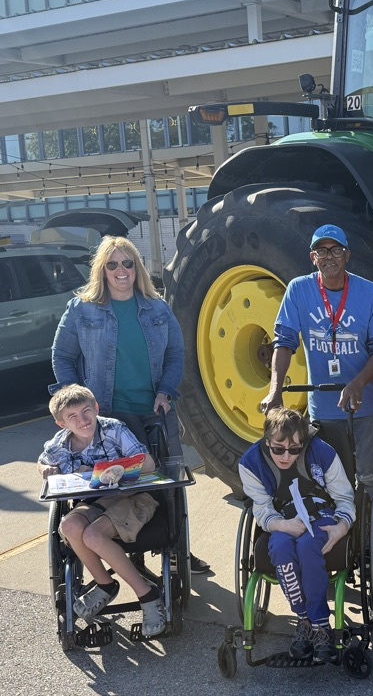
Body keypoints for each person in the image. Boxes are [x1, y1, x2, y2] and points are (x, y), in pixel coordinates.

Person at [49, 234, 210, 575]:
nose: (121, 270)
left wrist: (166, 392)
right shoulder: (82, 309)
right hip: (104, 414)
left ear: (137, 268)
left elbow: (175, 354)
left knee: (169, 484)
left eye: (127, 263)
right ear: (102, 270)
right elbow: (63, 355)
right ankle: (128, 551)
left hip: (154, 412)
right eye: (112, 264)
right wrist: (75, 403)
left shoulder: (158, 308)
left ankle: (180, 547)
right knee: (109, 486)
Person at [260, 224, 373, 502]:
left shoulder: (371, 293)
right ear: (313, 258)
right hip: (323, 406)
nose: (329, 256)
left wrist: (357, 384)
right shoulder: (298, 290)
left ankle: (365, 539)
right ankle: (341, 536)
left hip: (365, 404)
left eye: (335, 250)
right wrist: (275, 390)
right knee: (328, 477)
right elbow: (284, 341)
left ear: (347, 255)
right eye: (321, 251)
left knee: (367, 476)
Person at [37, 384, 168, 636]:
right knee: (69, 526)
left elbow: (149, 464)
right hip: (93, 503)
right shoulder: (61, 443)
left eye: (87, 412)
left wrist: (111, 469)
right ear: (62, 424)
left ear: (96, 408)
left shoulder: (114, 429)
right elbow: (43, 460)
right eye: (73, 417)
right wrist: (44, 469)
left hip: (134, 498)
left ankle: (148, 595)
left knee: (92, 535)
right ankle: (105, 584)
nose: (83, 421)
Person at [238, 406, 356, 662]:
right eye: (278, 448)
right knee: (280, 547)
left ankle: (321, 624)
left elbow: (346, 498)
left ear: (303, 443)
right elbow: (261, 509)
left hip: (323, 512)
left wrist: (342, 526)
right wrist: (282, 525)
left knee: (307, 546)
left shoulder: (322, 452)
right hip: (283, 517)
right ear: (266, 441)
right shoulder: (250, 463)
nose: (286, 456)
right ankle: (303, 620)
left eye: (294, 449)